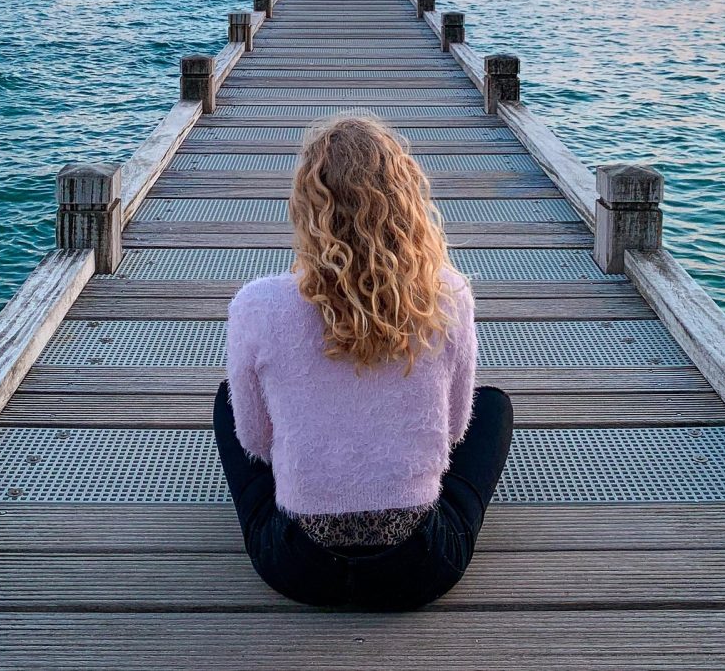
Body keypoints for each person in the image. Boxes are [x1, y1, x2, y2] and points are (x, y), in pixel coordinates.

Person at [213, 114, 513, 611]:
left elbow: (256, 443)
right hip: (419, 567)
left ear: (306, 208)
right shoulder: (449, 295)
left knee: (229, 401)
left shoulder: (257, 304)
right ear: (407, 205)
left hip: (297, 567)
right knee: (494, 407)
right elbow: (456, 430)